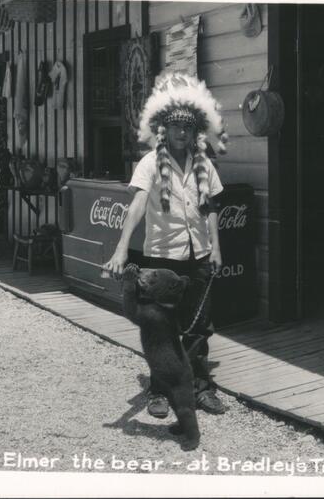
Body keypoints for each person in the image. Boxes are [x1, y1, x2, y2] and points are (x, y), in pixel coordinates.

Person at [104, 71, 230, 416]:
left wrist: (216, 249)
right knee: (161, 327)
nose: (181, 133)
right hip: (163, 257)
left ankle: (201, 388)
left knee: (199, 327)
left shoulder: (205, 165)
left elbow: (212, 210)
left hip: (199, 256)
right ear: (164, 129)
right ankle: (159, 392)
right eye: (175, 127)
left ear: (194, 132)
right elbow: (138, 205)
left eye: (187, 128)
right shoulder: (149, 164)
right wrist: (121, 248)